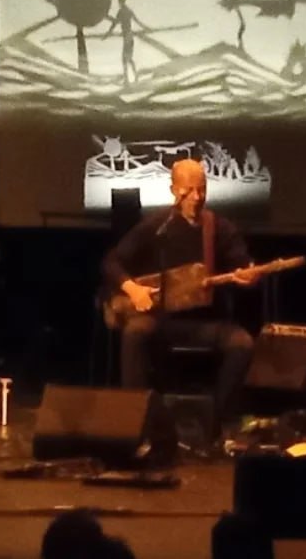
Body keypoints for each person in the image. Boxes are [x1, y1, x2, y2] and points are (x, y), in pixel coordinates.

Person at [102, 159, 257, 425]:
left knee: (242, 343)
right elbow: (111, 262)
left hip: (206, 321)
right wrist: (134, 289)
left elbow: (242, 264)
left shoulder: (218, 228)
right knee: (135, 332)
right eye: (189, 190)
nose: (197, 197)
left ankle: (218, 424)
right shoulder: (157, 226)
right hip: (161, 319)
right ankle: (135, 421)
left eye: (202, 190)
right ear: (174, 190)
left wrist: (248, 276)